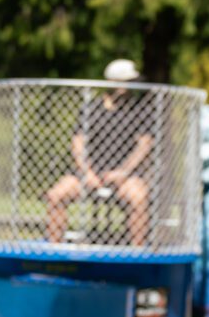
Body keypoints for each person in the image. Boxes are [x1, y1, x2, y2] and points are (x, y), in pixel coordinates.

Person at [46, 59, 154, 246]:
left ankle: (137, 255)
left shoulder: (137, 110)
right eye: (125, 82)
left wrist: (123, 172)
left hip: (124, 177)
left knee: (139, 197)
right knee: (56, 195)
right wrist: (87, 173)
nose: (128, 87)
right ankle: (53, 252)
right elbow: (78, 143)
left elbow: (144, 145)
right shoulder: (91, 109)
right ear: (112, 82)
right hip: (89, 174)